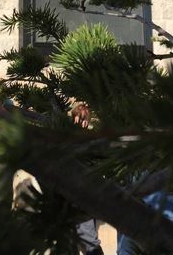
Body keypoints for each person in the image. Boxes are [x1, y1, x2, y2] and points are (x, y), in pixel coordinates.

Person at [71, 103, 104, 255]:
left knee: (89, 241)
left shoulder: (89, 140)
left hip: (82, 197)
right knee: (88, 241)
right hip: (79, 196)